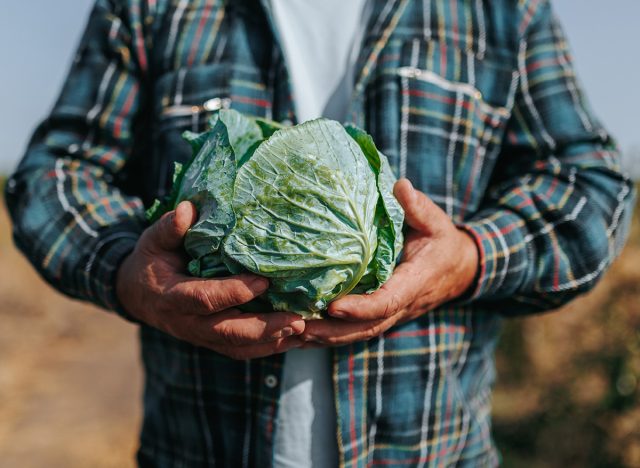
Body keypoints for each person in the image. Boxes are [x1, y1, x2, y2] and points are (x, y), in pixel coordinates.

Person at [5, 0, 634, 466]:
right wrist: (126, 273)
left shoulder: (501, 11)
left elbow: (589, 186)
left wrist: (467, 259)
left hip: (434, 449)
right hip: (198, 448)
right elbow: (55, 174)